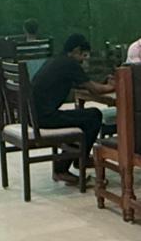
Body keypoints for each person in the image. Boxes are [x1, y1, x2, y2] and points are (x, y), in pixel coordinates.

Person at [30, 34, 115, 184]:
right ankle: (65, 167)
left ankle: (77, 158)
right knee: (93, 116)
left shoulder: (57, 60)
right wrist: (113, 86)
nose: (83, 60)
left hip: (34, 116)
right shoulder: (70, 64)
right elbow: (94, 89)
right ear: (76, 50)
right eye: (83, 55)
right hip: (44, 118)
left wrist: (103, 84)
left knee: (84, 118)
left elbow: (83, 84)